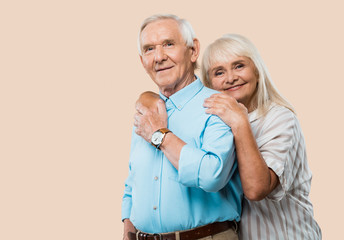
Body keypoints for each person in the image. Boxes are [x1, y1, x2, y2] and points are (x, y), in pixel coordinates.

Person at [136, 34, 322, 239]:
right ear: (208, 84)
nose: (230, 78)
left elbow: (256, 189)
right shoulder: (215, 122)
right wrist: (149, 97)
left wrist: (239, 121)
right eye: (219, 72)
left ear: (257, 71)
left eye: (239, 66)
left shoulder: (280, 119)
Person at [122, 15, 243, 240]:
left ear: (193, 50)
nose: (159, 57)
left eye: (168, 44)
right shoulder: (145, 110)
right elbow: (133, 179)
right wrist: (128, 229)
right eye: (149, 49)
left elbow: (212, 176)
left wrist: (160, 135)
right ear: (142, 61)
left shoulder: (218, 105)